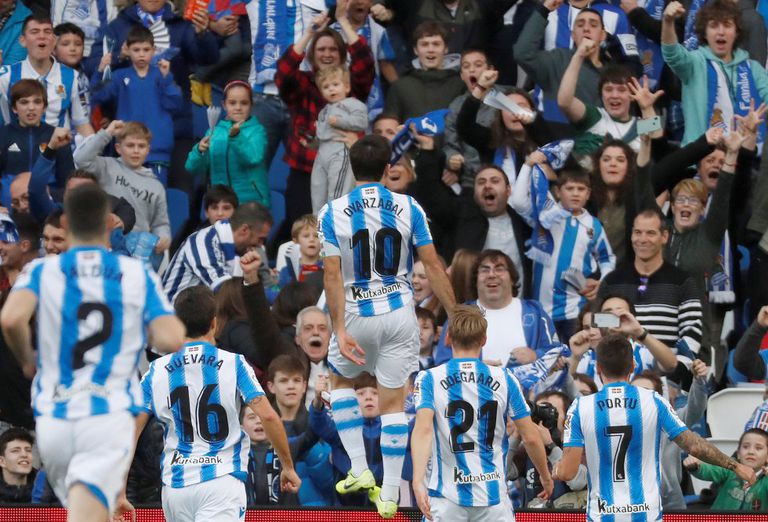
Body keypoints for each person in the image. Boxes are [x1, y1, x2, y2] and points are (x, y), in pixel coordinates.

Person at [0, 183, 185, 522]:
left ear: (67, 224)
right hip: (106, 415)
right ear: (110, 223)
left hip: (54, 418)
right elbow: (171, 338)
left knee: (85, 509)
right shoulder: (134, 274)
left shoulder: (42, 270)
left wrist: (27, 357)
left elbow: (11, 318)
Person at [316, 134, 456, 518]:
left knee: (340, 382)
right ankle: (391, 494)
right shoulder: (409, 206)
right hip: (399, 313)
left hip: (358, 311)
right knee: (394, 405)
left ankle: (360, 468)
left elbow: (331, 275)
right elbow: (432, 264)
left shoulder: (332, 212)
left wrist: (339, 328)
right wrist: (454, 311)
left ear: (351, 167)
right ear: (386, 169)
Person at [136, 285, 300, 521]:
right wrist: (287, 466)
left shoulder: (156, 371)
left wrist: (118, 490)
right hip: (220, 481)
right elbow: (269, 416)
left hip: (175, 487)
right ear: (214, 323)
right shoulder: (234, 364)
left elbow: (130, 429)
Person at [554, 333, 756, 521]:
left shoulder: (580, 407)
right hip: (646, 515)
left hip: (602, 515)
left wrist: (557, 469)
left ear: (597, 367)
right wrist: (735, 466)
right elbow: (694, 446)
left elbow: (568, 473)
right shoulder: (653, 401)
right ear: (633, 365)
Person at [411, 305, 554, 521]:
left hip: (446, 498)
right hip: (493, 498)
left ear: (448, 338)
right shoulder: (505, 378)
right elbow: (531, 436)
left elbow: (422, 431)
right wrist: (545, 476)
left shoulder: (428, 379)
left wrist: (417, 480)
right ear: (484, 339)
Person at [511, 160, 616, 341]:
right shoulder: (544, 217)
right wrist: (527, 165)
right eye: (570, 188)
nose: (575, 193)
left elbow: (608, 259)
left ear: (588, 194)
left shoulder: (594, 226)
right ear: (558, 192)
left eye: (581, 189)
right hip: (540, 309)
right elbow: (518, 202)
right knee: (545, 363)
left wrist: (601, 283)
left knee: (573, 361)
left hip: (575, 311)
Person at [598, 208, 704, 361]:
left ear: (664, 236)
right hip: (619, 370)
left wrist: (676, 373)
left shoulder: (683, 282)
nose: (642, 239)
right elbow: (598, 327)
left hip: (668, 375)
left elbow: (691, 336)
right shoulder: (612, 281)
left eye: (651, 233)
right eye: (638, 232)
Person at [662, 0, 768, 146]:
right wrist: (668, 22)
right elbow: (672, 53)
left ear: (737, 32)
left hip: (738, 159)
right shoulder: (694, 63)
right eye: (713, 25)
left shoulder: (753, 68)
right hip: (699, 160)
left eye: (727, 25)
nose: (721, 32)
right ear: (704, 33)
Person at [433, 250, 561, 368]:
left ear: (512, 278)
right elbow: (442, 364)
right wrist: (474, 369)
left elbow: (557, 353)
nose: (492, 275)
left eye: (499, 269)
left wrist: (535, 356)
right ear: (475, 280)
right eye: (485, 270)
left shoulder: (535, 312)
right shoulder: (460, 316)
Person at [90, 25, 182, 186]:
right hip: (127, 148)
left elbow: (175, 105)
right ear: (127, 49)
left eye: (146, 50)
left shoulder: (162, 75)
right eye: (136, 49)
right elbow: (98, 95)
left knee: (155, 196)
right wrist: (100, 70)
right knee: (127, 200)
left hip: (157, 150)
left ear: (154, 50)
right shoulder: (120, 76)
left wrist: (167, 79)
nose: (141, 54)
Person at [73, 121, 171, 253]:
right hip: (104, 242)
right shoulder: (106, 166)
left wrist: (164, 237)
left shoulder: (156, 186)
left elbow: (160, 223)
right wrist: (107, 133)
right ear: (118, 148)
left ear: (148, 150)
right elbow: (80, 159)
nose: (136, 151)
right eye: (130, 145)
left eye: (141, 146)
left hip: (138, 250)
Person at [0, 15, 93, 137]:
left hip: (58, 152)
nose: (42, 36)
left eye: (47, 31)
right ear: (23, 41)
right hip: (17, 151)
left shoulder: (73, 77)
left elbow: (83, 125)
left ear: (54, 41)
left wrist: (94, 150)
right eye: (35, 32)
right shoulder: (6, 75)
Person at [162, 201, 272, 303]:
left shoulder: (239, 248)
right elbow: (225, 292)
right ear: (244, 230)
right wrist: (274, 297)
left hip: (204, 314)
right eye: (260, 239)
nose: (260, 245)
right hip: (172, 317)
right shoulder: (203, 242)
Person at [186, 81, 269, 208]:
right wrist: (199, 151)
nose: (238, 107)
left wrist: (236, 137)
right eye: (232, 103)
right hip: (222, 204)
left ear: (251, 105)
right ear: (224, 105)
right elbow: (192, 168)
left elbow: (253, 158)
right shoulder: (214, 131)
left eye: (244, 103)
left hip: (251, 205)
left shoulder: (257, 130)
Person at [310, 65, 368, 213]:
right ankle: (319, 224)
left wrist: (340, 121)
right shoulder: (324, 111)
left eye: (335, 84)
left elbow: (362, 122)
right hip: (322, 152)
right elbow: (322, 134)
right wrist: (311, 142)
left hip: (340, 149)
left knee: (337, 190)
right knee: (317, 188)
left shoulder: (353, 104)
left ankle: (335, 221)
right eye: (326, 86)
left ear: (346, 87)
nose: (331, 89)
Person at [0, 79, 75, 192]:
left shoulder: (57, 137)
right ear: (14, 108)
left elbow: (67, 183)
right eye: (24, 102)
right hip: (11, 202)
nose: (31, 108)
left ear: (44, 108)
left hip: (48, 202)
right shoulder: (2, 134)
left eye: (37, 102)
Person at [384, 21, 465, 122]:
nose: (430, 49)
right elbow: (390, 125)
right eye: (424, 44)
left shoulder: (460, 85)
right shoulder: (400, 86)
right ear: (416, 50)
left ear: (445, 49)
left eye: (436, 44)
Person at [685, 428, 768, 510]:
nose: (751, 451)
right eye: (746, 447)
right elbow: (711, 470)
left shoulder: (766, 479)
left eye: (758, 448)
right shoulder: (729, 469)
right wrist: (697, 466)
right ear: (738, 454)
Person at [0, 427, 35, 503]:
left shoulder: (45, 490)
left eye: (28, 450)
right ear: (2, 461)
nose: (24, 454)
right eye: (15, 451)